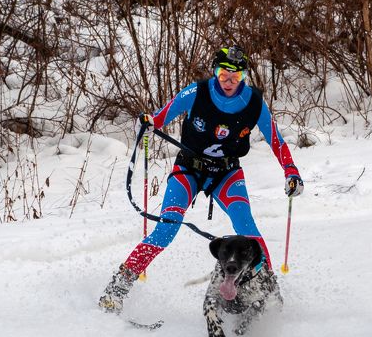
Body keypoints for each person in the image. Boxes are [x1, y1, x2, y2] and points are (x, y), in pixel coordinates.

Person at [99, 45, 303, 314]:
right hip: (189, 170)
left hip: (226, 173)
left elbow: (276, 141)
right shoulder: (196, 92)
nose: (228, 82)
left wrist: (291, 171)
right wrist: (146, 122)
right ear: (215, 72)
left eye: (236, 76)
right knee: (166, 229)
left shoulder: (253, 103)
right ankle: (117, 288)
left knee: (247, 227)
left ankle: (268, 292)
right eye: (223, 74)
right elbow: (158, 118)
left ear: (244, 77)